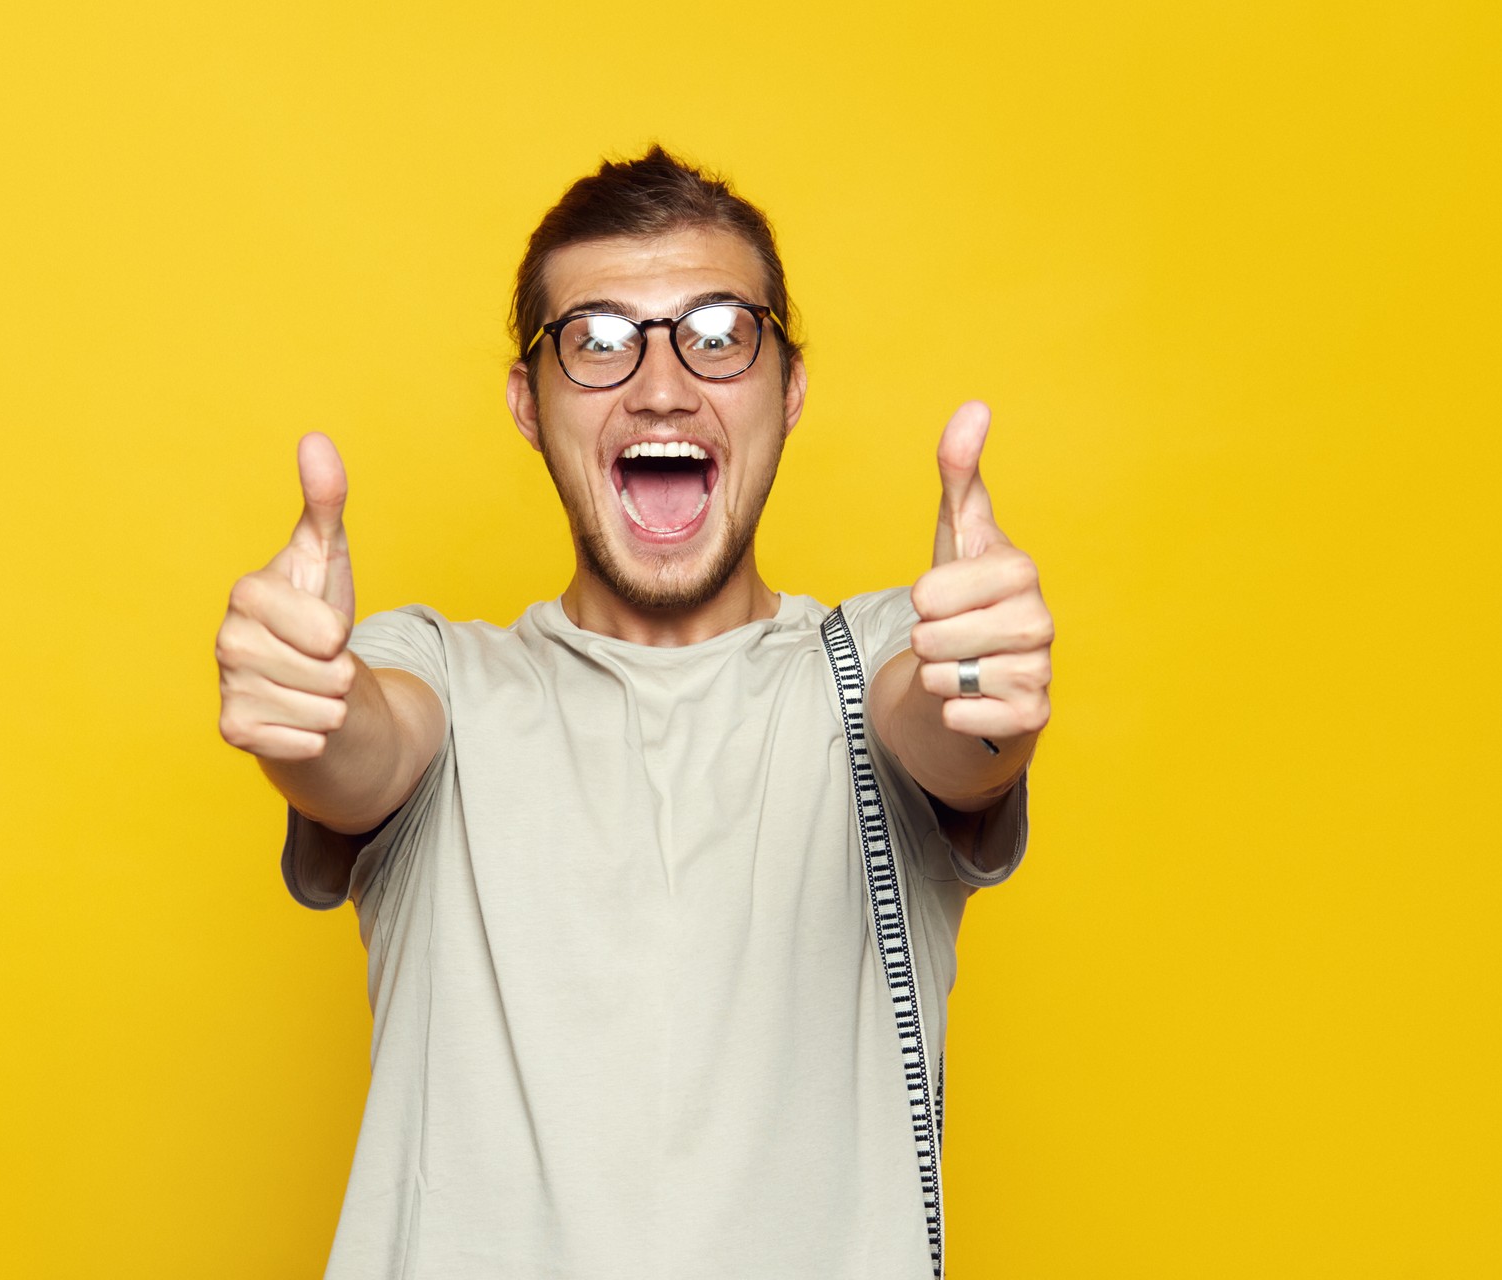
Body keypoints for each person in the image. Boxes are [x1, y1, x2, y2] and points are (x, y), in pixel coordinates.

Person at [215, 147, 1053, 1279]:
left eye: (718, 332)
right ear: (529, 399)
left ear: (790, 386)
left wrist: (981, 686)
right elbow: (363, 748)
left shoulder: (885, 656)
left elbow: (953, 732)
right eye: (599, 340)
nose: (662, 386)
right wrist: (308, 708)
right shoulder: (441, 678)